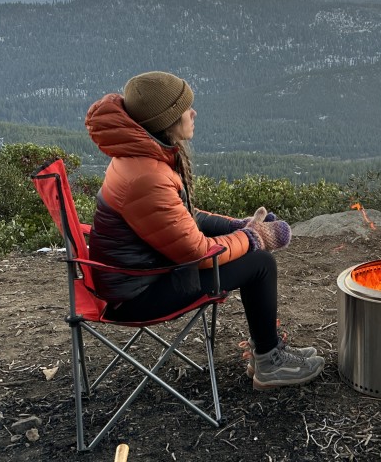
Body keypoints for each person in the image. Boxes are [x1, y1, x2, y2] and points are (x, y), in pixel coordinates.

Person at [84, 70, 324, 389]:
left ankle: (267, 350)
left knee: (254, 252)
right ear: (166, 121)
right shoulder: (147, 177)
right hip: (139, 294)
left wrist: (240, 226)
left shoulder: (142, 158)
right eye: (185, 108)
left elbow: (186, 217)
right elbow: (197, 253)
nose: (193, 113)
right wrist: (255, 238)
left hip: (144, 274)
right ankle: (269, 362)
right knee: (260, 263)